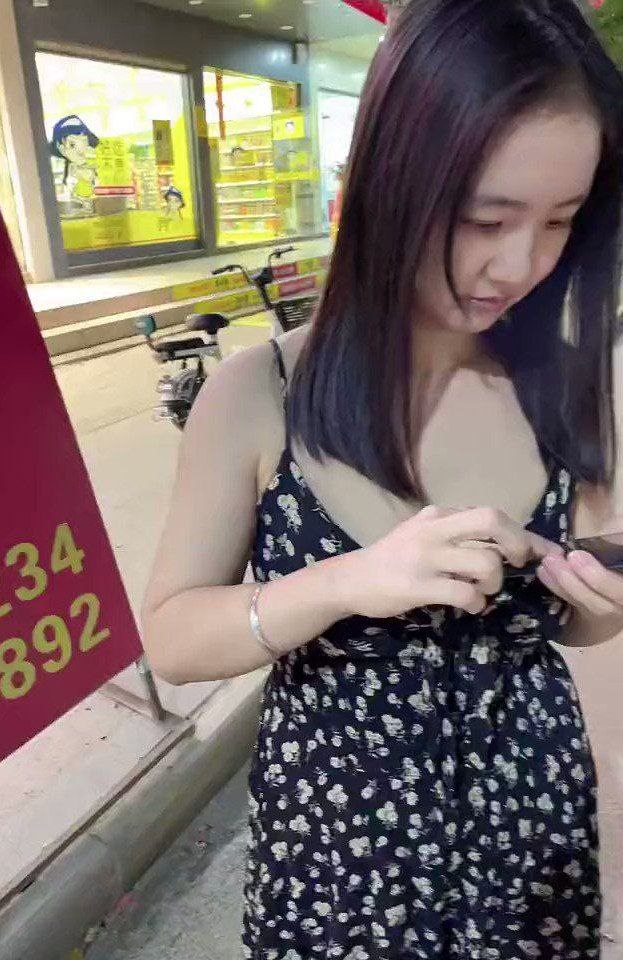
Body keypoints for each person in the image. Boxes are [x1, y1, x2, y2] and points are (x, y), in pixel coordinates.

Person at [142, 0, 623, 955]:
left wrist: (596, 602)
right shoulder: (260, 394)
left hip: (529, 839)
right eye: (486, 219)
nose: (519, 264)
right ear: (389, 181)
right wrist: (347, 581)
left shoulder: (564, 384)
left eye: (558, 222)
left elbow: (578, 620)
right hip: (338, 859)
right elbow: (173, 641)